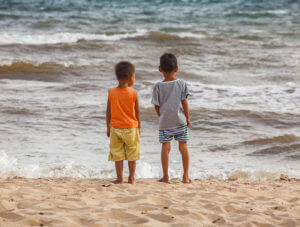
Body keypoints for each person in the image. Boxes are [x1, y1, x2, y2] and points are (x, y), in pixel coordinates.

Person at [151, 53, 191, 183]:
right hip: (180, 120)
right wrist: (188, 118)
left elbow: (156, 106)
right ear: (176, 68)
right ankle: (185, 177)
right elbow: (184, 101)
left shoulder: (158, 86)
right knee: (183, 147)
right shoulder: (181, 83)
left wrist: (161, 116)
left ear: (160, 69)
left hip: (165, 122)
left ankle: (166, 177)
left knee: (165, 147)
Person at [106, 61, 141, 184]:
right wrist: (139, 127)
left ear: (117, 76)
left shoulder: (111, 92)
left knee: (117, 154)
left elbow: (108, 112)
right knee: (132, 154)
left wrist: (108, 127)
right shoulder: (133, 93)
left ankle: (120, 178)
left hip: (115, 128)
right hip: (131, 128)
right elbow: (137, 112)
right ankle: (131, 178)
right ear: (131, 77)